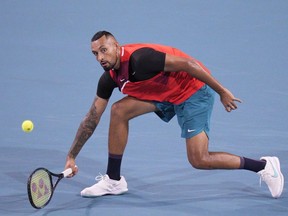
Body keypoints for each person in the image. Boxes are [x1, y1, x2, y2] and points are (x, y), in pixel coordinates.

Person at [64, 30, 284, 199]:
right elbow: (92, 118)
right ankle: (113, 180)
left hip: (193, 92)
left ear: (116, 46)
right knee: (118, 110)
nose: (99, 57)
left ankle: (264, 166)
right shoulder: (109, 78)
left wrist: (222, 91)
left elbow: (189, 64)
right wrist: (72, 156)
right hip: (165, 95)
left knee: (199, 159)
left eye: (104, 50)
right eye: (95, 54)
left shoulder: (141, 59)